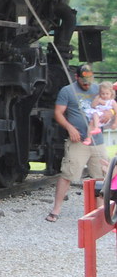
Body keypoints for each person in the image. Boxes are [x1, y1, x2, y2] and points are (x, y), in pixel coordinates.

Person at [47, 64, 108, 222]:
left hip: (98, 141)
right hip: (78, 141)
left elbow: (111, 104)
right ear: (76, 77)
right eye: (83, 81)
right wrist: (69, 128)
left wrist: (110, 113)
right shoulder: (67, 91)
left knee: (101, 177)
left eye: (89, 80)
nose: (87, 84)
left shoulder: (98, 89)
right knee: (68, 174)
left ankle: (101, 212)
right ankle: (56, 210)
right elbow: (58, 113)